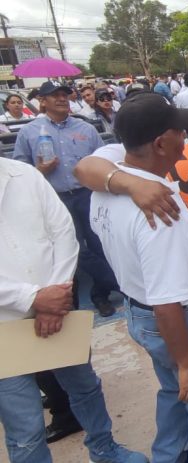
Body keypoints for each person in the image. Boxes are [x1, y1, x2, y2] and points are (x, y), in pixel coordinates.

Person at [89, 93, 188, 463]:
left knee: (171, 391)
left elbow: (87, 168)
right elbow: (167, 302)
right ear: (161, 143)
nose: (187, 138)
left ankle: (168, 461)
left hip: (139, 311)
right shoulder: (162, 213)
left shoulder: (111, 180)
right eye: (180, 131)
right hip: (180, 320)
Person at [0, 156, 149, 463]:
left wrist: (57, 293)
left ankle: (103, 450)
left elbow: (64, 232)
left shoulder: (24, 174)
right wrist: (31, 298)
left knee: (85, 387)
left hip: (58, 307)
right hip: (5, 325)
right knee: (25, 424)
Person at [12, 81, 119, 317]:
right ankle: (74, 300)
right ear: (43, 101)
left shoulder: (85, 128)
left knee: (101, 244)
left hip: (88, 195)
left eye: (65, 95)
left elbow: (102, 160)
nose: (62, 99)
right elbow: (19, 172)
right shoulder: (29, 132)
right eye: (55, 96)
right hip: (54, 199)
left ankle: (101, 294)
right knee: (72, 251)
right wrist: (41, 170)